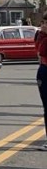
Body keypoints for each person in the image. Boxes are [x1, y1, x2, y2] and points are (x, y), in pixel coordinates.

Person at [36, 16, 47, 151]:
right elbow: (38, 52)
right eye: (43, 23)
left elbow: (42, 52)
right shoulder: (42, 37)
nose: (43, 25)